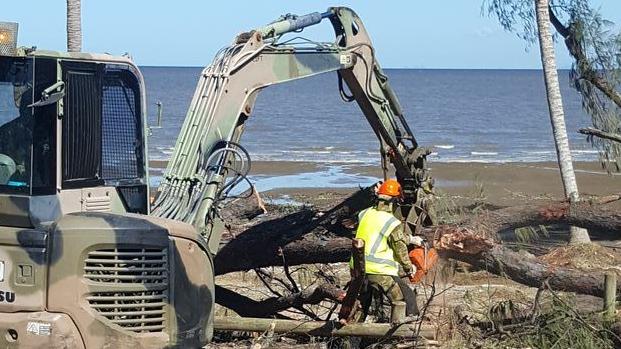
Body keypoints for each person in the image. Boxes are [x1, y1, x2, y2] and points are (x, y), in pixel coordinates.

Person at [352, 178, 421, 323]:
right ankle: (406, 333)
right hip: (379, 271)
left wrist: (411, 239)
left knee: (361, 305)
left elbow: (377, 231)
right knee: (406, 298)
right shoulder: (391, 221)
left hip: (358, 268)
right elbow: (399, 248)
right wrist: (409, 268)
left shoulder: (364, 214)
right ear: (394, 202)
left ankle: (350, 334)